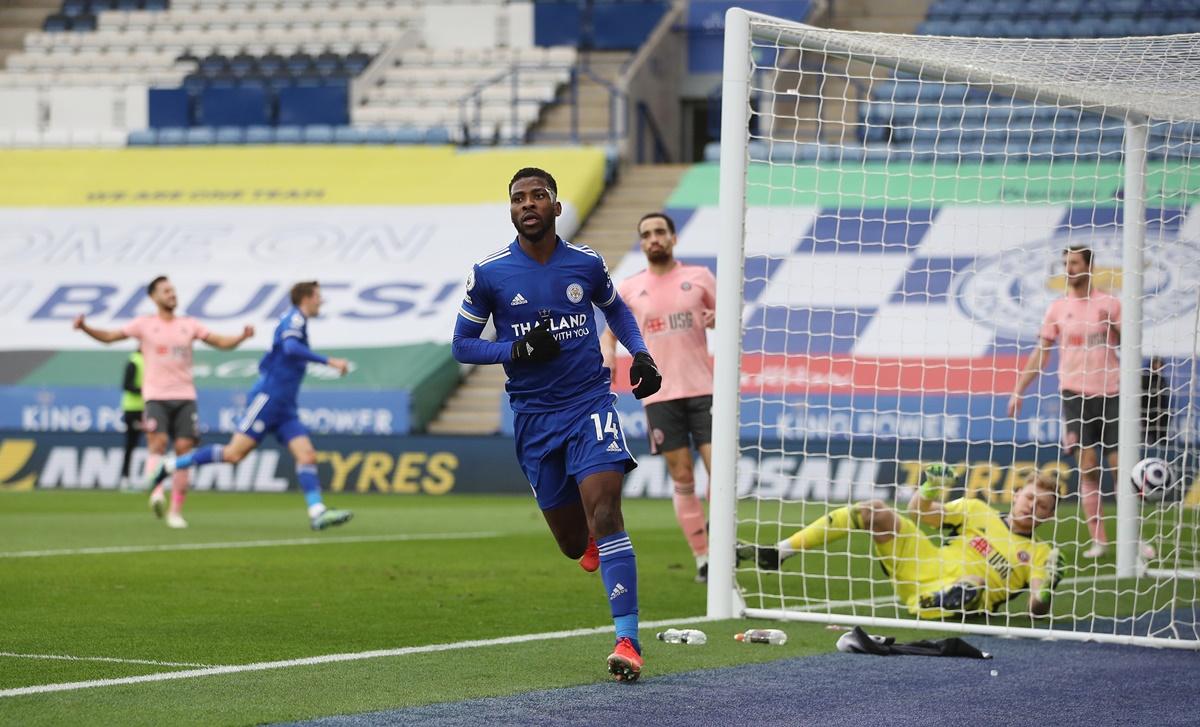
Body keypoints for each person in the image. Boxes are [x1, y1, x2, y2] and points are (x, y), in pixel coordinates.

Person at [451, 168, 662, 682]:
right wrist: (515, 349)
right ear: (512, 210)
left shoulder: (586, 263)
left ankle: (627, 640)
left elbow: (618, 310)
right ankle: (586, 540)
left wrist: (641, 354)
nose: (528, 204)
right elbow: (462, 343)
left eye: (538, 196)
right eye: (518, 198)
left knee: (607, 511)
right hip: (533, 418)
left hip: (590, 403)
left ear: (556, 207)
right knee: (572, 543)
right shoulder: (490, 273)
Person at [147, 281, 353, 532]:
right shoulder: (294, 319)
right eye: (318, 296)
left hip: (285, 407)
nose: (321, 302)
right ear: (307, 298)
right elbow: (290, 347)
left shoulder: (299, 321)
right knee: (233, 454)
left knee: (307, 455)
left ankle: (317, 512)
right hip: (268, 399)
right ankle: (170, 465)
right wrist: (329, 361)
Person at [739, 465, 1064, 619]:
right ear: (1017, 493)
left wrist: (1047, 589)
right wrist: (931, 487)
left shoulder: (1041, 552)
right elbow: (919, 512)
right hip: (924, 561)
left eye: (1043, 507)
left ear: (1048, 517)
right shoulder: (977, 510)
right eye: (1031, 497)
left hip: (962, 593)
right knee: (875, 512)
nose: (1033, 507)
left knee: (973, 583)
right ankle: (780, 552)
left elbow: (1036, 609)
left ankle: (929, 604)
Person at [1007, 246, 1154, 559]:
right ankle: (1098, 540)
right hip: (1074, 395)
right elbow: (1041, 353)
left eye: (1074, 263)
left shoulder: (1110, 304)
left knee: (1120, 468)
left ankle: (1134, 539)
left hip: (1112, 393)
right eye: (1065, 264)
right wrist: (1019, 389)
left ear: (1089, 266)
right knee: (1088, 467)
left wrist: (1115, 328)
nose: (1068, 269)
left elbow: (1130, 345)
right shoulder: (1057, 308)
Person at [74, 275, 253, 528]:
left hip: (185, 397)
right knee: (156, 444)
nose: (172, 294)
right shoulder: (144, 325)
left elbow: (219, 342)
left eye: (173, 290)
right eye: (166, 291)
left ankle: (175, 511)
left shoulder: (188, 324)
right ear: (153, 297)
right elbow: (110, 336)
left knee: (184, 451)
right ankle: (156, 492)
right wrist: (85, 328)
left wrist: (241, 337)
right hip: (156, 397)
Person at [600, 211, 716, 584]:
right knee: (682, 475)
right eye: (646, 233)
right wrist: (608, 360)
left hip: (704, 389)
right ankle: (703, 557)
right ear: (642, 241)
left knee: (722, 471)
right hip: (659, 395)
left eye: (659, 232)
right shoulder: (631, 288)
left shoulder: (699, 278)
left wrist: (717, 317)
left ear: (673, 238)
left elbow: (726, 317)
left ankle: (721, 536)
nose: (654, 238)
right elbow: (610, 332)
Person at [118, 347, 145, 491]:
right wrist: (145, 390)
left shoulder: (150, 361)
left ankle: (151, 477)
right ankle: (125, 478)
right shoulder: (134, 361)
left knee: (155, 443)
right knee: (131, 444)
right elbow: (126, 385)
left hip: (148, 409)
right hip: (133, 409)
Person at [1141, 356, 1171, 448]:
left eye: (1160, 364)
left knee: (1161, 433)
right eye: (1156, 364)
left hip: (1160, 412)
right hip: (1148, 411)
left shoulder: (1161, 379)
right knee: (1148, 433)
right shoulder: (1146, 377)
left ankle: (1161, 445)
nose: (1158, 366)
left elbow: (1164, 397)